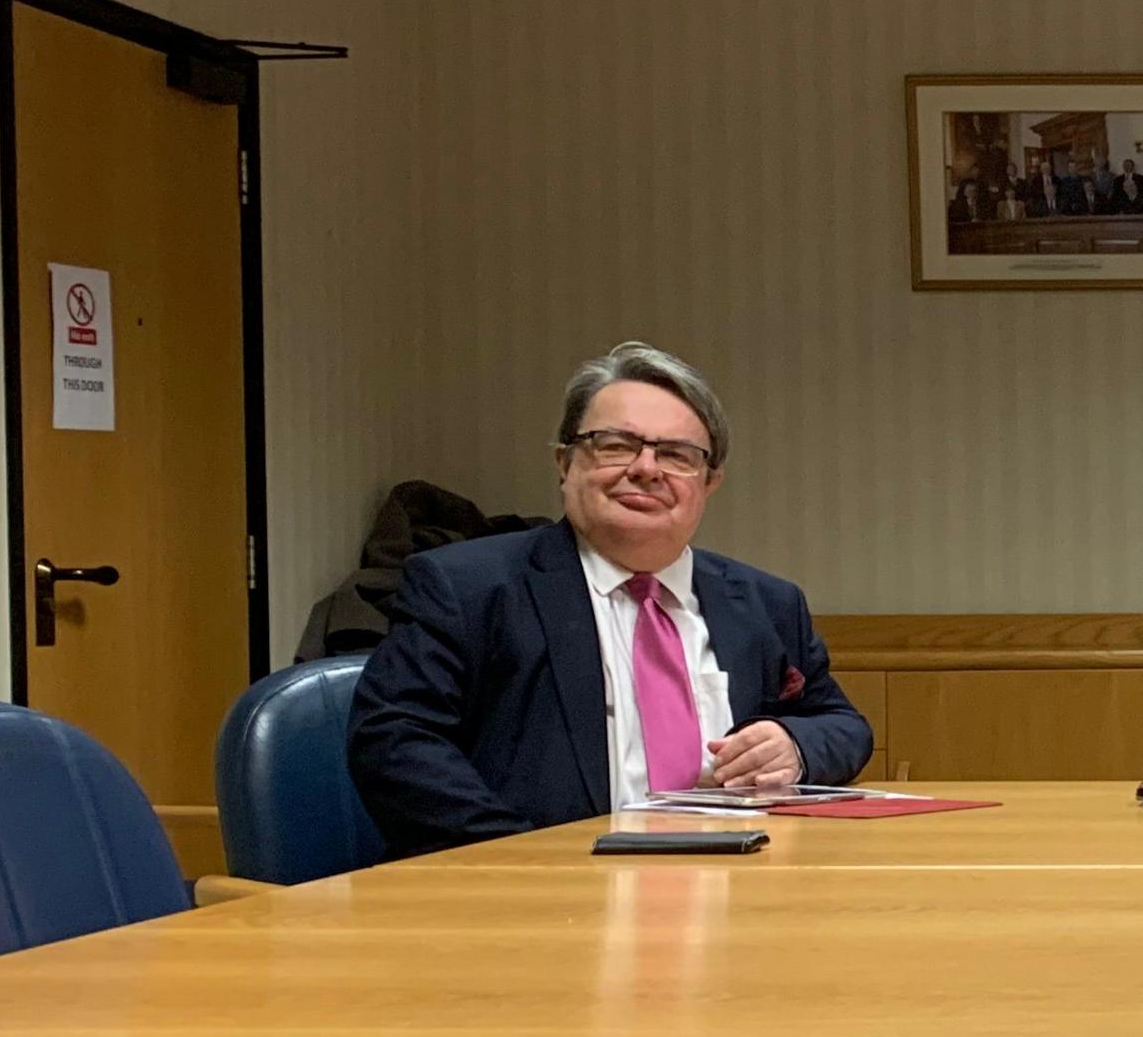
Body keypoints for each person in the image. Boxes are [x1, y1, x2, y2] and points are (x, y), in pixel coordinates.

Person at [348, 342, 868, 853]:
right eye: (616, 445)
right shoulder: (467, 587)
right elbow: (395, 743)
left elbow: (842, 725)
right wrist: (522, 858)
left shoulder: (767, 603)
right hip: (540, 898)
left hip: (737, 885)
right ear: (564, 463)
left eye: (675, 454)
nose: (646, 468)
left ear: (708, 483)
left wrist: (795, 748)